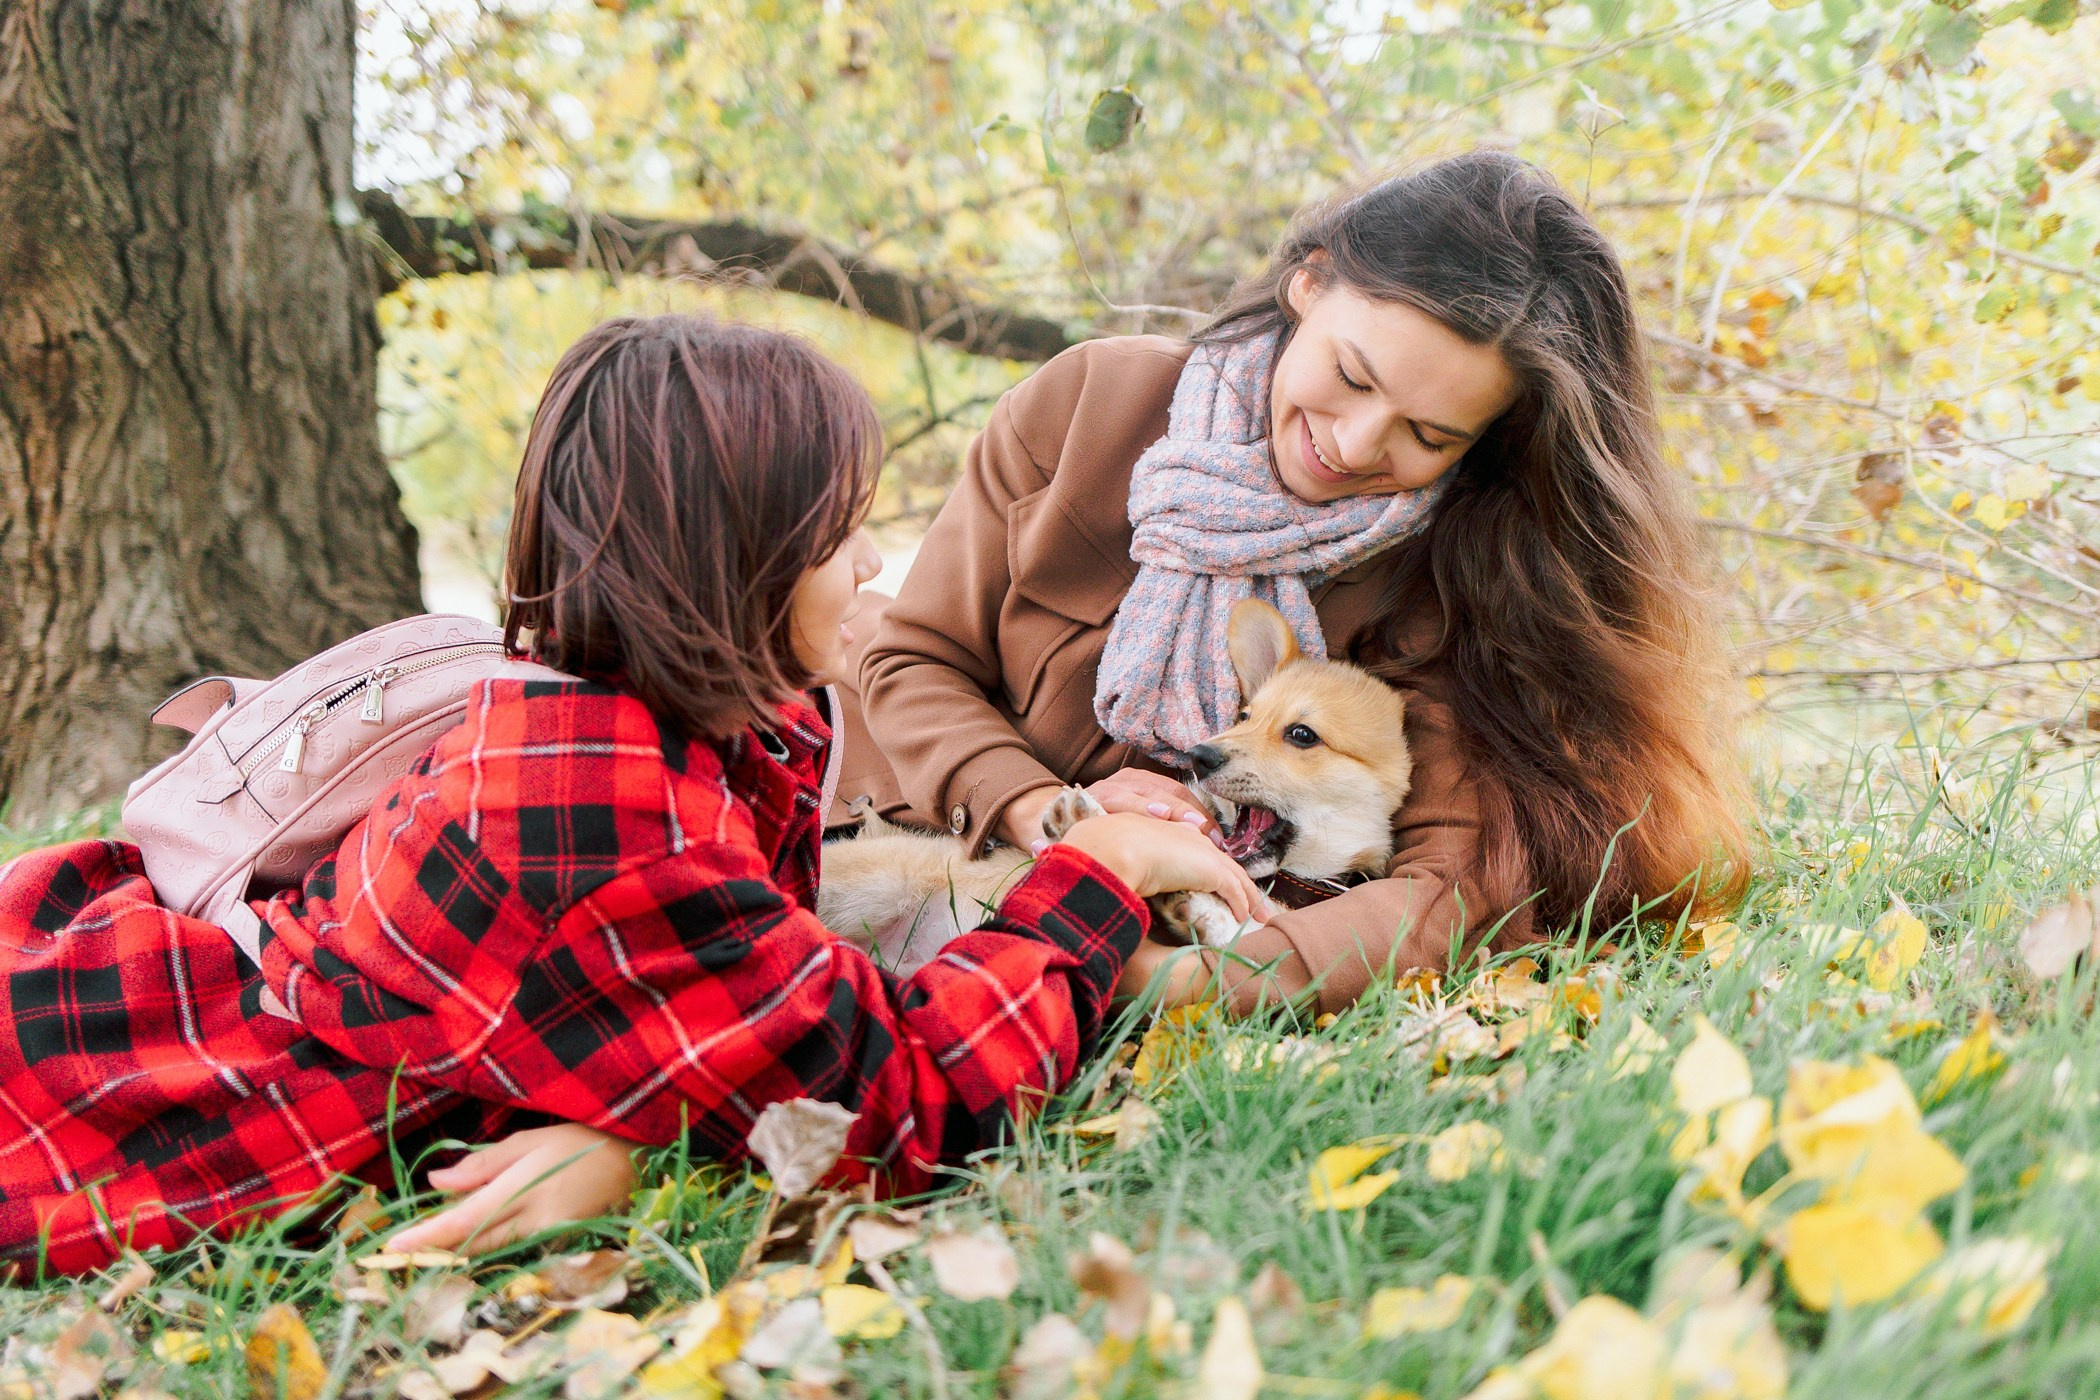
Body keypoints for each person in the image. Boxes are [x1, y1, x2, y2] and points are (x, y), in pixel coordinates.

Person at [0, 314, 1259, 1273]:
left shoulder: (648, 723)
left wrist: (644, 1129)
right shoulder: (603, 817)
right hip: (92, 1087)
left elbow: (741, 1010)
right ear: (731, 560)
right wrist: (1100, 874)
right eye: (839, 535)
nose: (875, 560)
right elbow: (912, 1109)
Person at [843, 151, 1750, 1015]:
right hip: (905, 837)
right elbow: (914, 659)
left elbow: (1451, 885)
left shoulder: (1465, 572)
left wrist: (1188, 980)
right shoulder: (1092, 403)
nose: (1352, 446)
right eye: (1351, 375)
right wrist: (1049, 815)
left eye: (1428, 435)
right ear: (1308, 282)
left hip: (1154, 927)